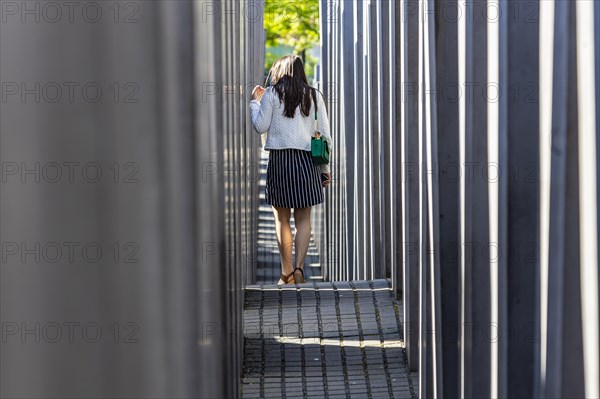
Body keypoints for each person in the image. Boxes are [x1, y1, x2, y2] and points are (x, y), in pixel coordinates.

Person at [249, 55, 332, 285]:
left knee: (282, 220)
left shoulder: (272, 93)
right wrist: (324, 169)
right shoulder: (314, 95)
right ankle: (299, 268)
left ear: (279, 70)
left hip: (280, 161)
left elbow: (259, 126)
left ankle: (286, 273)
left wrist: (255, 102)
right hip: (307, 162)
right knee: (304, 219)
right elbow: (325, 135)